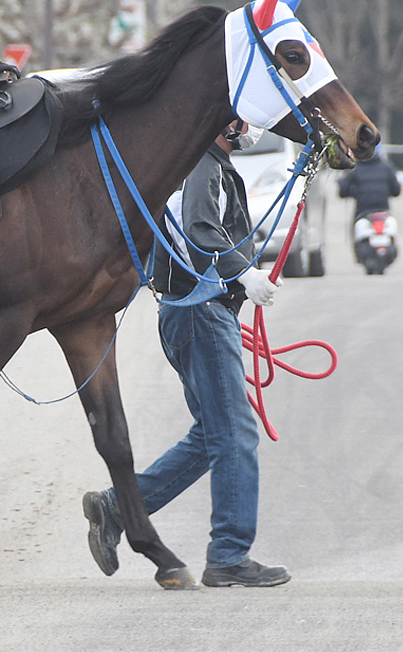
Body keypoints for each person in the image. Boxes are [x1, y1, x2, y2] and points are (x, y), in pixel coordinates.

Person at [82, 120, 291, 588]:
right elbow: (199, 229)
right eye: (247, 117)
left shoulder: (199, 162)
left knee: (210, 437)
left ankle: (116, 507)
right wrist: (245, 275)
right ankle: (229, 556)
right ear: (226, 123)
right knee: (235, 434)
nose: (255, 127)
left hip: (190, 314)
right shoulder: (203, 164)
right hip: (201, 315)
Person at [337, 148, 402, 220]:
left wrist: (354, 192)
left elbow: (343, 192)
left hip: (362, 212)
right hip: (384, 213)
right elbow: (396, 192)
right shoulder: (387, 167)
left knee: (358, 228)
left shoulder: (354, 169)